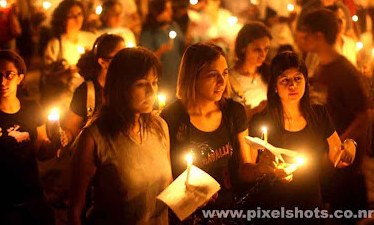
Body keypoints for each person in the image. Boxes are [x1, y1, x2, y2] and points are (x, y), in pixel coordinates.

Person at [245, 51, 356, 224]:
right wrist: (263, 168)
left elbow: (338, 158)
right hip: (272, 211)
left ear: (305, 80)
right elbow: (246, 172)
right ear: (274, 86)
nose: (292, 86)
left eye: (298, 78)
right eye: (285, 80)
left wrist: (349, 146)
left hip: (310, 206)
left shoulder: (318, 115)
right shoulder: (262, 121)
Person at [68, 47, 172, 225]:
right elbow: (75, 210)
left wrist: (193, 193)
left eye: (154, 82)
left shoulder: (159, 127)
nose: (151, 91)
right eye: (141, 84)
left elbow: (166, 185)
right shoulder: (94, 137)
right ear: (120, 86)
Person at [0, 50, 67, 224]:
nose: (2, 81)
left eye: (9, 75)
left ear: (20, 77)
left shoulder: (32, 108)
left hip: (33, 195)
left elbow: (41, 151)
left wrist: (55, 145)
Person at [160, 43, 249, 216]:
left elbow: (245, 167)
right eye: (212, 75)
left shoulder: (233, 112)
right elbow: (165, 178)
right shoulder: (172, 117)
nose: (222, 82)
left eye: (224, 73)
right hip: (189, 215)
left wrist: (263, 168)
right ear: (193, 77)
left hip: (229, 212)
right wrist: (192, 196)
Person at [299, 8, 369, 219]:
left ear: (319, 36)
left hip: (344, 164)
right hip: (327, 160)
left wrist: (338, 145)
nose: (303, 38)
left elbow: (364, 116)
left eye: (306, 33)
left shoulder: (345, 72)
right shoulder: (322, 67)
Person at [63, 34, 125, 144]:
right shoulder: (86, 91)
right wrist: (63, 138)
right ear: (103, 62)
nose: (126, 60)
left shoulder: (128, 87)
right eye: (120, 56)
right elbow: (70, 129)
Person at [42, 0, 97, 107]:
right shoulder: (56, 44)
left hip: (89, 96)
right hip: (64, 100)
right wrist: (66, 72)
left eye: (79, 14)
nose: (77, 19)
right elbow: (46, 78)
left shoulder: (91, 38)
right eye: (72, 15)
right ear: (62, 19)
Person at [140, 0, 184, 99]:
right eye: (167, 10)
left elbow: (182, 46)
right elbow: (145, 59)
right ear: (158, 12)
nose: (171, 12)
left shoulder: (173, 26)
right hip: (161, 77)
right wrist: (161, 51)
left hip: (177, 73)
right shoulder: (149, 32)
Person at [229, 22, 271, 120]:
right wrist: (254, 111)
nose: (263, 55)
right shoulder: (230, 79)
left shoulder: (268, 74)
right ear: (243, 48)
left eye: (266, 49)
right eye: (257, 50)